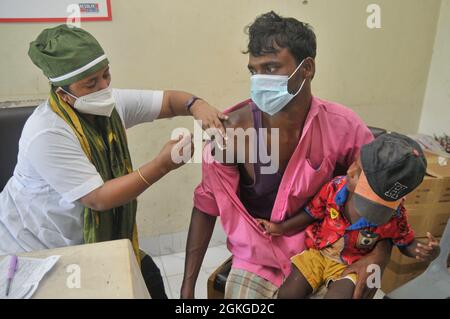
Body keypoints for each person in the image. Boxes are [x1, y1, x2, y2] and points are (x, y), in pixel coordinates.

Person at [0, 24, 228, 299]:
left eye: (106, 75)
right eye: (91, 83)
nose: (104, 87)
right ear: (63, 93)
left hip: (88, 239)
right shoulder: (47, 132)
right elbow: (98, 198)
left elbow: (168, 102)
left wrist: (196, 104)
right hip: (38, 249)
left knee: (148, 276)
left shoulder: (107, 103)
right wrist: (162, 164)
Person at [181, 11, 391, 299]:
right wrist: (187, 287)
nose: (259, 80)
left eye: (271, 68)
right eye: (254, 71)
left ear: (307, 69)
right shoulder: (231, 132)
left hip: (325, 252)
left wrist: (379, 255)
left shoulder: (343, 127)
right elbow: (206, 205)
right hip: (257, 262)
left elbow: (381, 192)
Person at [258, 133, 440, 298]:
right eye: (355, 163)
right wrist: (280, 228)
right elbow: (311, 213)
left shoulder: (395, 214)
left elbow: (404, 241)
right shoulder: (335, 187)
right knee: (288, 294)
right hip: (319, 254)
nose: (350, 172)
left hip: (353, 265)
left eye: (359, 173)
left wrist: (425, 251)